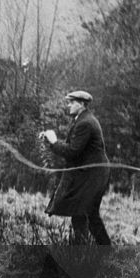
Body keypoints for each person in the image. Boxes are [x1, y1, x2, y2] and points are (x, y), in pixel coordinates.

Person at [40, 90, 112, 245]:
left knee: (84, 213)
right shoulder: (83, 120)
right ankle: (95, 251)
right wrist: (51, 141)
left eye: (72, 102)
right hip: (91, 175)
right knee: (84, 214)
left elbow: (72, 152)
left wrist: (53, 142)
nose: (68, 105)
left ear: (82, 104)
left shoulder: (85, 123)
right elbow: (74, 149)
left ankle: (91, 253)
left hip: (92, 176)